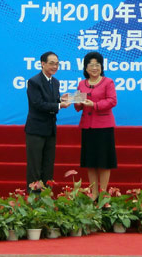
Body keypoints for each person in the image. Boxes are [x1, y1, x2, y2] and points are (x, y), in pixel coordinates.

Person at [74, 51, 118, 201]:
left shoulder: (108, 82)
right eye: (91, 65)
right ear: (85, 68)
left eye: (97, 65)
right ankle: (94, 193)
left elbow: (112, 101)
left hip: (104, 127)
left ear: (101, 67)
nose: (94, 68)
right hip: (88, 127)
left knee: (104, 162)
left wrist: (95, 105)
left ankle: (104, 193)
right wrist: (74, 101)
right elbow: (79, 106)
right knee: (90, 162)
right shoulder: (81, 84)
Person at [25, 51, 70, 192]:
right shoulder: (34, 81)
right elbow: (38, 104)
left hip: (50, 129)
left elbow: (49, 102)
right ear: (43, 64)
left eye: (57, 64)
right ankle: (33, 198)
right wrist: (58, 105)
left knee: (48, 165)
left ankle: (46, 197)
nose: (55, 66)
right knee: (35, 166)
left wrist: (60, 100)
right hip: (36, 130)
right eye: (52, 63)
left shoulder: (55, 82)